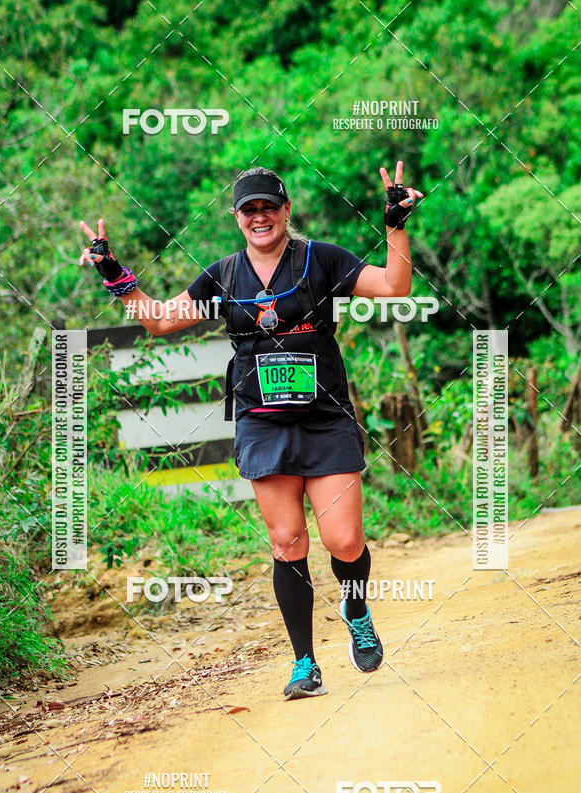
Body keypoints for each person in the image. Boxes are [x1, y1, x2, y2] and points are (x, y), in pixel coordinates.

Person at [79, 162, 423, 700]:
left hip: (325, 417)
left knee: (343, 540)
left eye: (268, 207)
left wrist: (395, 224)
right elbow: (160, 320)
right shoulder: (223, 275)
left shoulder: (321, 259)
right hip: (262, 422)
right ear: (237, 218)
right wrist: (113, 272)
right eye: (249, 210)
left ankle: (355, 608)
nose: (260, 217)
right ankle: (305, 664)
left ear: (286, 211)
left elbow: (395, 287)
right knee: (287, 542)